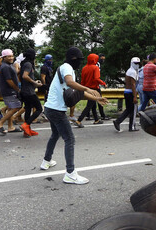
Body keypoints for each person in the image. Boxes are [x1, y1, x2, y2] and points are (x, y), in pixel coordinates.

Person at [41, 46, 108, 184]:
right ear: (73, 59)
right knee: (69, 139)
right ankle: (70, 173)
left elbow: (78, 93)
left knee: (55, 135)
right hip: (56, 110)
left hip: (50, 108)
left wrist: (96, 99)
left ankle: (46, 161)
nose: (80, 62)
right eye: (79, 60)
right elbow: (70, 82)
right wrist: (88, 87)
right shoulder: (67, 67)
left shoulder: (67, 68)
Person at [0, 49, 22, 134]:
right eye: (8, 56)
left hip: (8, 91)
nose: (11, 58)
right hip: (9, 91)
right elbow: (9, 80)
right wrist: (17, 89)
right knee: (16, 107)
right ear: (4, 57)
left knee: (10, 108)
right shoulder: (5, 67)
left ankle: (10, 127)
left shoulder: (9, 65)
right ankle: (0, 123)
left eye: (12, 56)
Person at [74, 53, 106, 127]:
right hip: (95, 88)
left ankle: (96, 119)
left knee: (92, 104)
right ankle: (79, 120)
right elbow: (96, 78)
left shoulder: (84, 68)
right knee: (91, 105)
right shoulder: (95, 68)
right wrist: (103, 83)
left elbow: (82, 80)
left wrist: (83, 88)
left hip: (87, 88)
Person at [19, 48, 43, 137]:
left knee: (28, 109)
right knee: (39, 109)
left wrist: (33, 81)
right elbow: (25, 76)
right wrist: (35, 83)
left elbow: (23, 76)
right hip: (29, 91)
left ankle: (27, 131)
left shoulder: (24, 63)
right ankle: (26, 125)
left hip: (24, 90)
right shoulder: (29, 64)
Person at [113, 57, 140, 132]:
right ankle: (132, 126)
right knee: (133, 110)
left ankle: (118, 121)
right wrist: (135, 97)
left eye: (138, 63)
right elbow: (133, 85)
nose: (137, 65)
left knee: (129, 110)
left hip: (127, 92)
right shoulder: (133, 72)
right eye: (135, 63)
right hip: (131, 93)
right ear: (132, 63)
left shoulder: (130, 71)